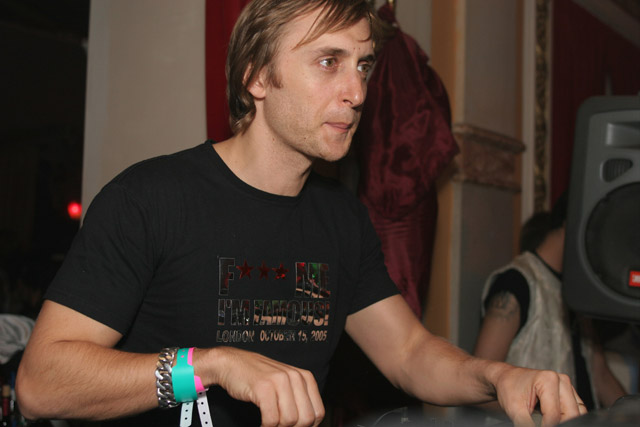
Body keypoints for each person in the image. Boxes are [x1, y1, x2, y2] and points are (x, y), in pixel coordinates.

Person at [16, 1, 587, 426]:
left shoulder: (341, 220)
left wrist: (498, 375)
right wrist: (211, 366)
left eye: (363, 65)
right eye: (329, 62)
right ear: (257, 76)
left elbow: (409, 354)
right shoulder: (151, 198)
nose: (356, 91)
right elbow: (40, 385)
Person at [474, 193, 626, 416]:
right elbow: (481, 385)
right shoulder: (516, 283)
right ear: (573, 224)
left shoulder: (578, 289)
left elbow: (600, 374)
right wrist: (543, 415)